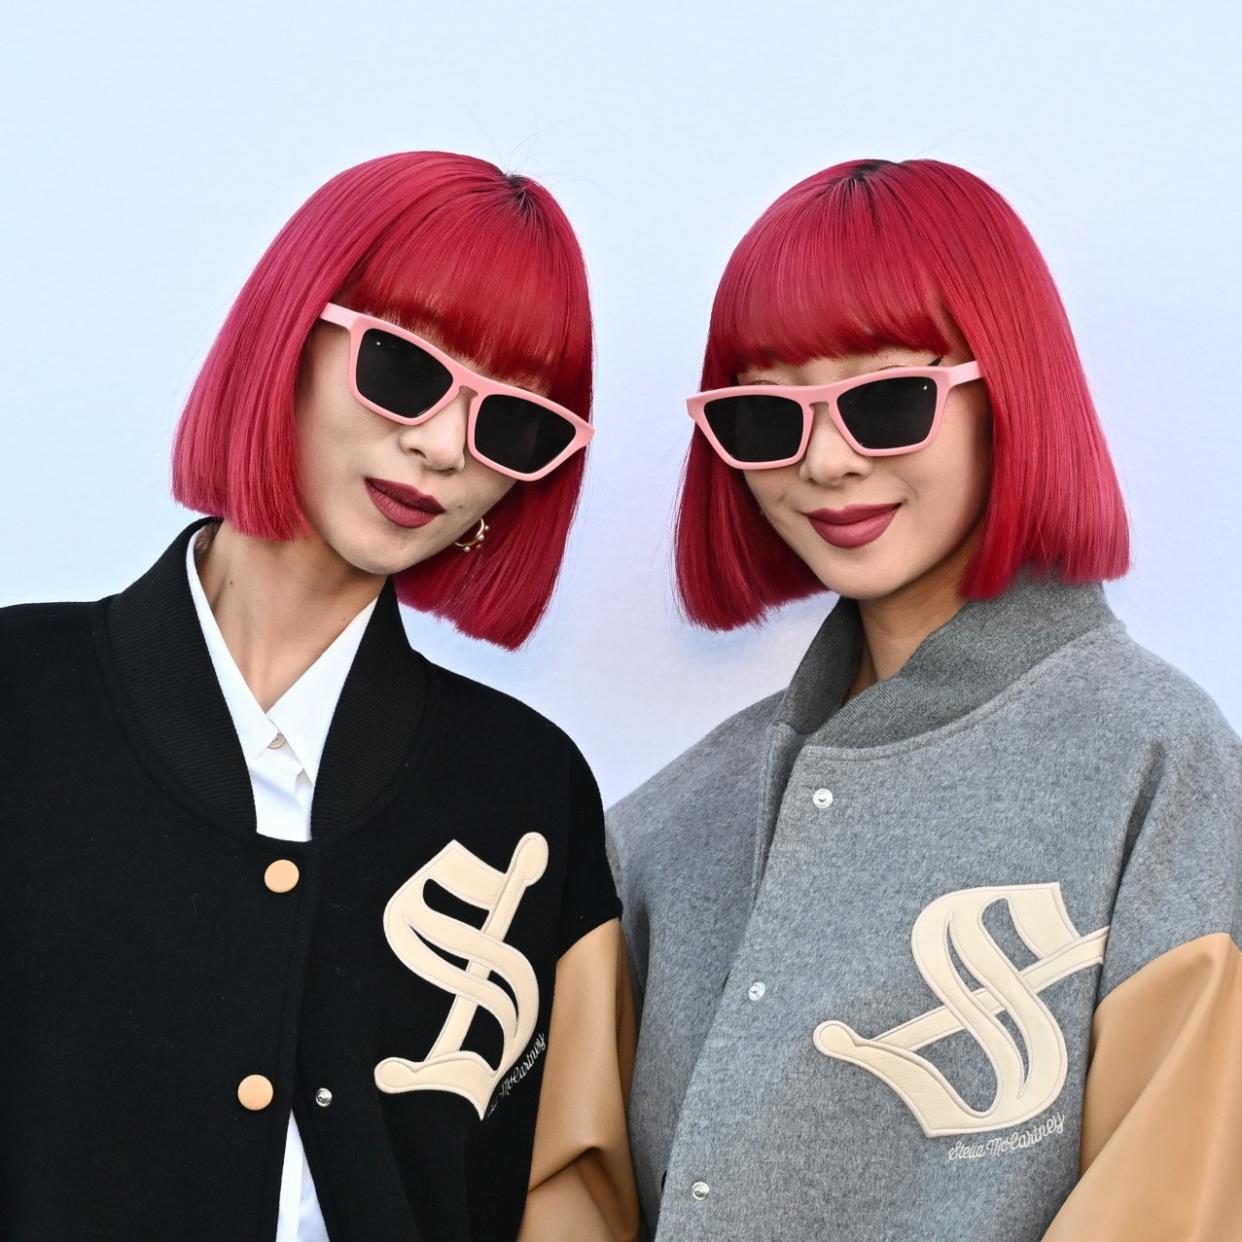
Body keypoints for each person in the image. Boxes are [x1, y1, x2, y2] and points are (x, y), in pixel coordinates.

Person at [1, 150, 639, 1242]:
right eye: (402, 368)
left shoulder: (526, 792)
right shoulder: (22, 701)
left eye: (510, 424)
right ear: (288, 339)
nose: (441, 445)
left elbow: (564, 1188)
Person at [605, 157, 1242, 1241]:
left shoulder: (1157, 762)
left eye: (886, 400)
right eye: (766, 418)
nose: (824, 460)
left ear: (1011, 391)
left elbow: (1170, 1204)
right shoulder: (664, 828)